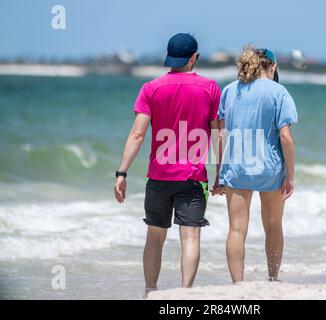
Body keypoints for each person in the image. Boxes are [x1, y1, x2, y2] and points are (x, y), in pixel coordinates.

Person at [114, 33, 221, 294]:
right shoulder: (210, 89)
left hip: (159, 177)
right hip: (193, 178)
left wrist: (122, 172)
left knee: (154, 237)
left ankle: (151, 292)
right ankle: (185, 294)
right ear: (194, 57)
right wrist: (220, 174)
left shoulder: (150, 88)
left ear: (169, 56)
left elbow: (137, 134)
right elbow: (218, 135)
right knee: (191, 236)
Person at [213, 46, 298, 283]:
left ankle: (238, 285)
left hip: (237, 167)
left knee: (237, 229)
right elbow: (286, 137)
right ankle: (272, 278)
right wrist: (290, 176)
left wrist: (219, 172)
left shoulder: (229, 91)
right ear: (271, 67)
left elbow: (220, 135)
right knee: (273, 226)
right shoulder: (279, 92)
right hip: (269, 168)